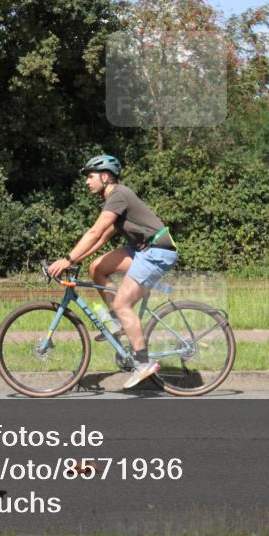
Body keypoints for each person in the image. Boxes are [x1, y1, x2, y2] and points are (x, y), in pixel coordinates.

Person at [47, 154, 178, 388]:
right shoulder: (113, 199)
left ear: (105, 177)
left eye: (90, 176)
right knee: (97, 267)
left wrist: (67, 259)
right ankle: (117, 323)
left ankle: (142, 363)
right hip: (142, 250)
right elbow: (100, 240)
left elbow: (95, 233)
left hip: (157, 251)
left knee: (121, 303)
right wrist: (77, 260)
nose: (87, 181)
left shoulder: (118, 194)